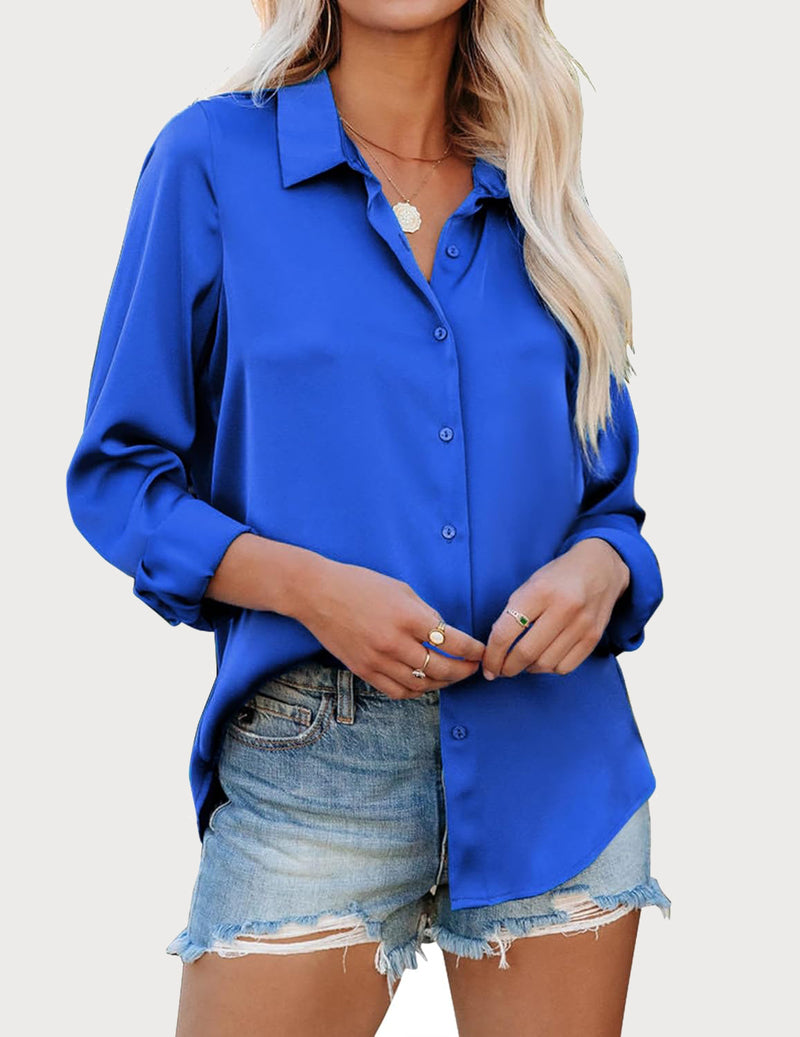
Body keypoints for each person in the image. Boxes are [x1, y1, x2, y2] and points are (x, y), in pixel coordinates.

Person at [65, 1, 672, 1034]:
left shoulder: (534, 187)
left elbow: (607, 508)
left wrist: (600, 570)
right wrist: (312, 589)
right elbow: (118, 475)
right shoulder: (210, 162)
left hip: (557, 764)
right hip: (314, 768)